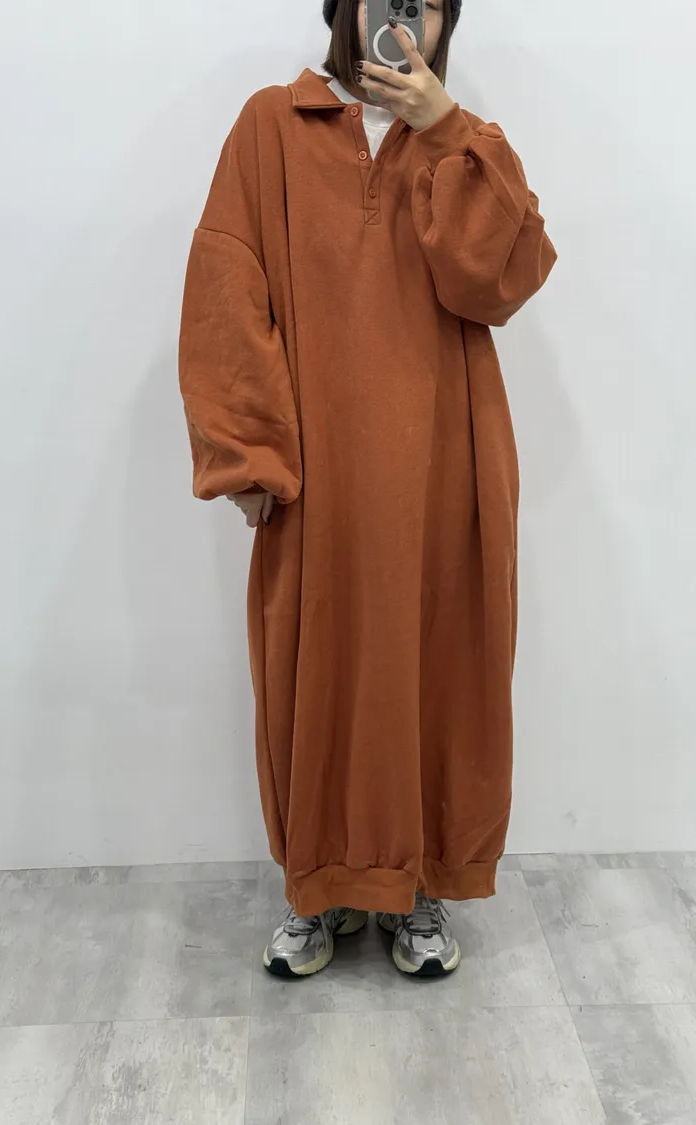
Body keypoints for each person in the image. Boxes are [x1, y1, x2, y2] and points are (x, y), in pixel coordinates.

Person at [179, 0, 556, 979]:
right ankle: (321, 884)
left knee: (439, 666)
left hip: (445, 461)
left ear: (443, 21)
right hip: (319, 471)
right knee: (316, 671)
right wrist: (247, 453)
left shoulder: (463, 144)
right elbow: (227, 283)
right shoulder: (273, 124)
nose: (402, 19)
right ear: (343, 7)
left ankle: (419, 885)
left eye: (423, 3)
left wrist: (449, 131)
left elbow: (501, 282)